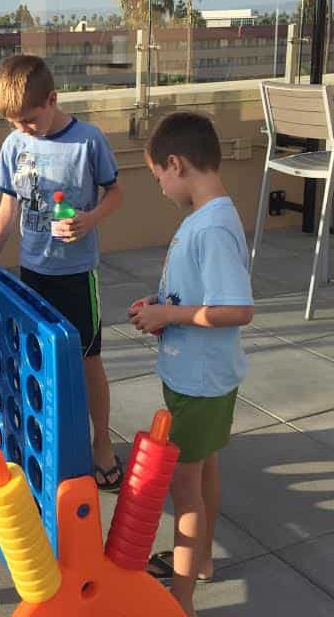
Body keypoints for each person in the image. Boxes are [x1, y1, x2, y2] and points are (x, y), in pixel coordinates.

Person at [129, 111, 254, 617]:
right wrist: (159, 310)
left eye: (159, 176)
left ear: (176, 164)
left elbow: (238, 309)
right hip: (194, 376)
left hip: (201, 382)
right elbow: (200, 297)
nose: (160, 186)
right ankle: (199, 562)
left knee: (185, 494)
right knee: (202, 474)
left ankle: (179, 601)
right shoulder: (204, 220)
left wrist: (170, 313)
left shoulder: (214, 228)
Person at [0, 54, 125, 490]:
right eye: (13, 122)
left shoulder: (87, 141)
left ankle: (101, 442)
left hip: (77, 273)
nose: (22, 128)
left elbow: (116, 192)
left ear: (52, 100)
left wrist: (92, 218)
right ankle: (45, 443)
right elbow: (8, 207)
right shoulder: (14, 145)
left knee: (88, 360)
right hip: (33, 273)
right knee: (36, 361)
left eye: (28, 119)